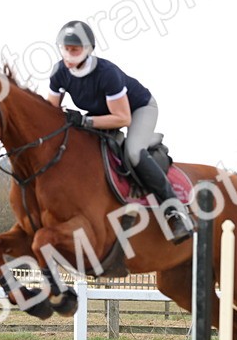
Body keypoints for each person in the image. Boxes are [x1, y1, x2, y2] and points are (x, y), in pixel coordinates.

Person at [46, 20, 194, 243]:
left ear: (87, 50)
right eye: (65, 49)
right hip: (103, 114)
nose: (68, 55)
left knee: (134, 152)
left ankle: (175, 213)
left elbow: (123, 118)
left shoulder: (106, 74)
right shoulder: (59, 72)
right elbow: (52, 112)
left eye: (74, 49)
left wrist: (84, 121)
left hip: (138, 110)